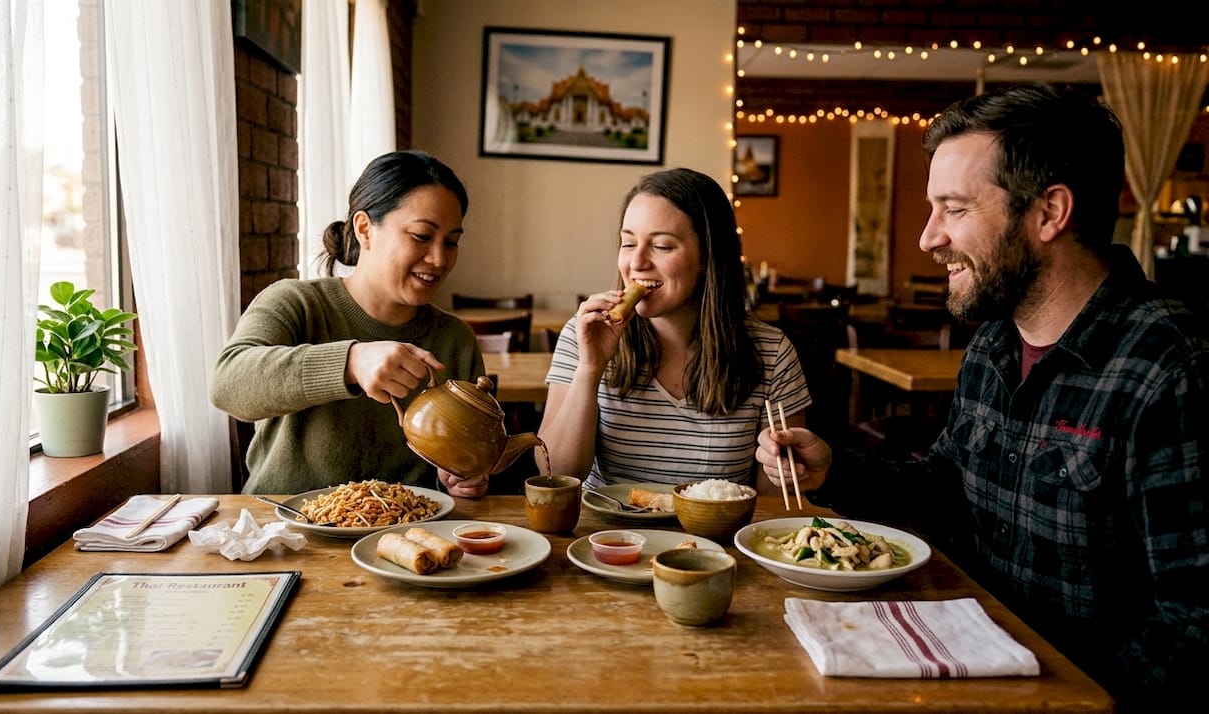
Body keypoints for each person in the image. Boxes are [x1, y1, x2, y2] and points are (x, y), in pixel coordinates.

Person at [757, 83, 1209, 709]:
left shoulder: (1170, 366)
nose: (928, 238)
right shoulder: (994, 343)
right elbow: (946, 491)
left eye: (955, 209)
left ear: (1050, 212)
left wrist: (1070, 702)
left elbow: (1194, 622)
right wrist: (835, 469)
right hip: (960, 664)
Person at [211, 150, 492, 499]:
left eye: (451, 242)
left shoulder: (455, 340)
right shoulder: (295, 303)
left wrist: (461, 479)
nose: (438, 259)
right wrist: (350, 362)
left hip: (407, 538)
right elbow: (227, 384)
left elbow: (465, 463)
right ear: (364, 230)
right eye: (421, 236)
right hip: (284, 533)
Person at [540, 167, 811, 493]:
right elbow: (554, 473)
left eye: (663, 246)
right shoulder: (585, 333)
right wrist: (590, 368)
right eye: (628, 243)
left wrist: (796, 469)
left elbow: (774, 502)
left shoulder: (771, 351)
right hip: (608, 540)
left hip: (713, 540)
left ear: (708, 257)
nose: (636, 262)